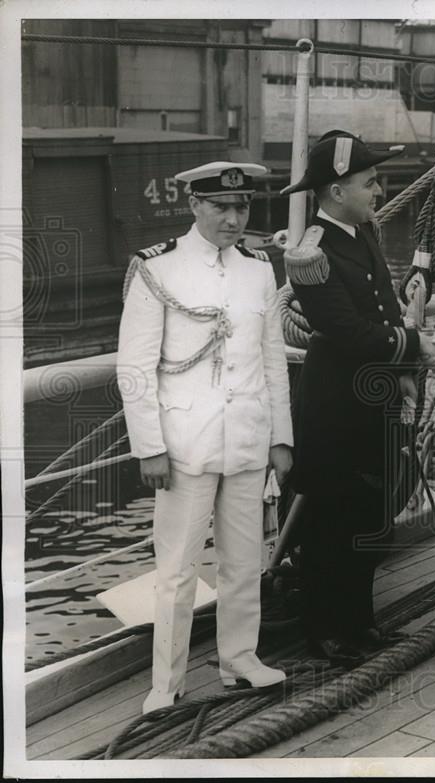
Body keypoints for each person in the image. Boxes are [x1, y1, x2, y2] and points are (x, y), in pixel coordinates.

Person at [117, 161, 294, 715]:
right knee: (176, 571)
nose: (234, 218)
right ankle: (165, 684)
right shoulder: (157, 269)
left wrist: (280, 437)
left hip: (245, 437)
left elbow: (273, 360)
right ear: (194, 205)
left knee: (244, 561)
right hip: (183, 443)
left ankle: (240, 659)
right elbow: (136, 368)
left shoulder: (258, 270)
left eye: (242, 208)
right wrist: (148, 446)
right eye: (222, 207)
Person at [280, 130, 435, 665]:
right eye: (369, 183)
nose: (377, 192)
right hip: (335, 406)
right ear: (334, 192)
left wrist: (401, 368)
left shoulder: (361, 232)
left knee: (370, 517)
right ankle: (325, 631)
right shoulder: (311, 252)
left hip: (374, 398)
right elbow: (348, 331)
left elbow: (386, 312)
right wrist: (416, 345)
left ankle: (360, 622)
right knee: (331, 522)